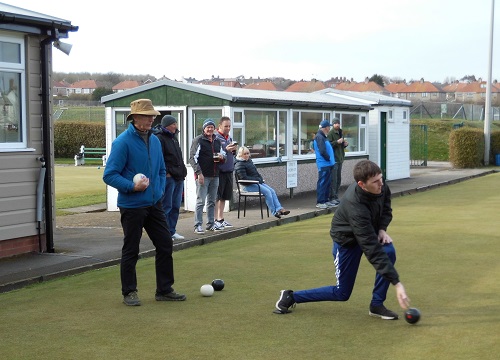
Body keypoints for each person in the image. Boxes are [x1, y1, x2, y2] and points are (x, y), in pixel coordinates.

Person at [274, 160, 410, 319]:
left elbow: (386, 209)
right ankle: (291, 296)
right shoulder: (355, 205)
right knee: (342, 292)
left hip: (366, 233)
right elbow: (372, 249)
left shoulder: (381, 186)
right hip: (346, 242)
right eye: (375, 182)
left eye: (381, 178)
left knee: (388, 251)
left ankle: (376, 305)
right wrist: (397, 284)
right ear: (362, 184)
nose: (381, 183)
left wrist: (381, 230)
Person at [103, 99, 186, 306]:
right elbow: (110, 175)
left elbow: (160, 169)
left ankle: (164, 290)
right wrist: (132, 187)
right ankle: (129, 292)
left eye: (152, 116)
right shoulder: (122, 142)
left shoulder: (155, 140)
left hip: (153, 202)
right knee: (131, 249)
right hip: (132, 205)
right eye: (147, 116)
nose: (151, 119)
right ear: (135, 118)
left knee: (165, 244)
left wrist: (157, 191)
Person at [189, 118, 226, 234]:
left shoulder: (217, 141)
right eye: (207, 127)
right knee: (201, 201)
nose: (210, 129)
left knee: (212, 201)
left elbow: (224, 156)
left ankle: (210, 224)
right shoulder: (198, 140)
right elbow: (192, 158)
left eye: (211, 127)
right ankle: (197, 225)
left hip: (215, 175)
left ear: (214, 128)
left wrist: (222, 158)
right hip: (203, 176)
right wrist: (199, 173)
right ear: (204, 128)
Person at [155, 115, 188, 241]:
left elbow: (178, 156)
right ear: (167, 125)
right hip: (169, 178)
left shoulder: (174, 138)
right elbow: (160, 158)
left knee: (175, 206)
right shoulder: (160, 138)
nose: (176, 126)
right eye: (174, 124)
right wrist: (167, 172)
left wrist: (183, 171)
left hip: (179, 176)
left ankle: (172, 231)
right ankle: (164, 233)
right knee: (166, 206)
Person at [234, 146, 290, 219]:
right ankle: (274, 212)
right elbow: (243, 178)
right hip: (246, 186)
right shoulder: (239, 164)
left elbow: (255, 173)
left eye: (248, 153)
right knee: (267, 192)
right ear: (240, 154)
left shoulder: (249, 161)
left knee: (272, 191)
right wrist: (256, 179)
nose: (247, 155)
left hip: (255, 182)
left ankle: (279, 209)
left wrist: (259, 179)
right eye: (245, 154)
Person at [214, 116, 238, 229]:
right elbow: (215, 155)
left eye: (229, 126)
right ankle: (215, 219)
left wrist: (233, 151)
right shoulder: (216, 138)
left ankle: (221, 218)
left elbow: (230, 154)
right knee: (217, 196)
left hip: (229, 170)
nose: (228, 128)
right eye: (226, 126)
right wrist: (225, 150)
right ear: (220, 126)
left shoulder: (229, 138)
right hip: (219, 171)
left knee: (224, 196)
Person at [314, 120, 336, 209]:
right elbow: (322, 151)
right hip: (324, 164)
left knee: (327, 183)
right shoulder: (320, 137)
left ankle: (326, 200)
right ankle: (320, 201)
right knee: (323, 183)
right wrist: (328, 158)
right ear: (326, 127)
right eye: (329, 127)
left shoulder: (323, 136)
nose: (329, 128)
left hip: (327, 164)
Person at [327, 117, 348, 203]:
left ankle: (336, 196)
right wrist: (337, 142)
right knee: (334, 179)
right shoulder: (331, 133)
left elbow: (341, 145)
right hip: (334, 159)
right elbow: (328, 145)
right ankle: (332, 197)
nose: (337, 125)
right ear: (333, 124)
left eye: (338, 123)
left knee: (338, 179)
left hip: (340, 158)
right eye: (335, 123)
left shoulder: (340, 132)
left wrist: (344, 144)